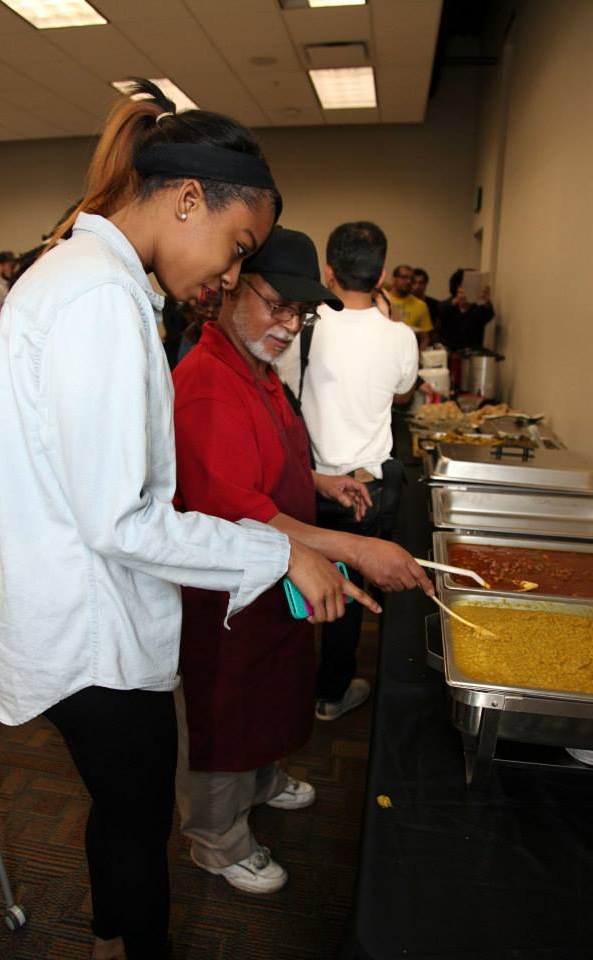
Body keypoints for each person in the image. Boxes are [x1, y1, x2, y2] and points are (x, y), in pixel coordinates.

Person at [0, 80, 357, 960]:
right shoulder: (99, 295)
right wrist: (280, 555)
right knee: (138, 827)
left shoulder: (84, 276)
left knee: (123, 812)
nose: (230, 274)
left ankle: (109, 942)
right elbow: (121, 521)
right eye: (236, 246)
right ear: (186, 200)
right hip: (87, 633)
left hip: (68, 611)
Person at [172, 224, 432, 895]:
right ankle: (217, 839)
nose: (289, 325)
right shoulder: (207, 384)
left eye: (301, 313)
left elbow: (265, 464)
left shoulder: (256, 370)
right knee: (226, 711)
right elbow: (237, 511)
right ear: (232, 288)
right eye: (277, 306)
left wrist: (318, 481)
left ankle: (261, 781)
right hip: (227, 599)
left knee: (271, 690)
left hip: (274, 584)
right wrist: (357, 547)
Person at [279, 222, 420, 720]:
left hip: (307, 482)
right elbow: (403, 393)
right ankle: (331, 693)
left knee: (292, 579)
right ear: (381, 275)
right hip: (364, 488)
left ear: (328, 272)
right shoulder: (400, 336)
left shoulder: (302, 327)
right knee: (350, 592)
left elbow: (284, 387)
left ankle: (285, 688)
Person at [438, 268, 495, 351]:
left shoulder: (478, 307)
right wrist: (457, 300)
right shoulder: (447, 304)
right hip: (450, 350)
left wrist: (486, 300)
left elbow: (489, 315)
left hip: (473, 351)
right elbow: (441, 312)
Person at [386, 264, 433, 347]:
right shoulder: (383, 300)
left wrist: (419, 352)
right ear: (393, 279)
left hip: (410, 349)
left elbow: (426, 336)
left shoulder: (421, 305)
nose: (408, 281)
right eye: (404, 277)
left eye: (411, 279)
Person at [412, 266, 439, 335]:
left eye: (421, 283)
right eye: (414, 282)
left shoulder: (435, 305)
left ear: (426, 284)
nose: (417, 286)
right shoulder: (403, 302)